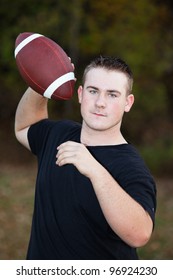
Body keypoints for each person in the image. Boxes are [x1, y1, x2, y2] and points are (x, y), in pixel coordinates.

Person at [14, 56, 156, 260]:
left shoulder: (130, 166)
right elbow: (24, 127)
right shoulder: (59, 134)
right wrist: (43, 80)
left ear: (128, 102)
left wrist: (95, 171)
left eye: (113, 95)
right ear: (80, 94)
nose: (100, 103)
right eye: (93, 91)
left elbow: (140, 234)